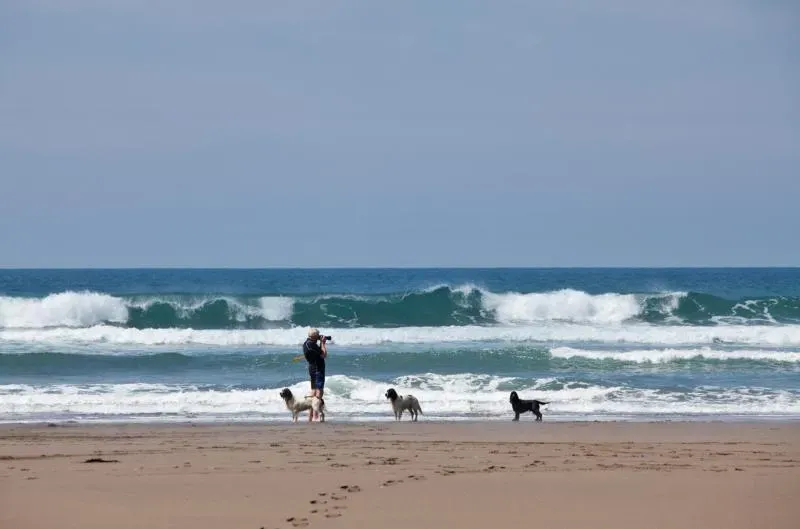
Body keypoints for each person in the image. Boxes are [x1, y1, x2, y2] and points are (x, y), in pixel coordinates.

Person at [302, 328, 328, 421]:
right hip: (318, 369)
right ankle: (316, 416)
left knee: (313, 391)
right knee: (319, 391)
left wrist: (320, 343)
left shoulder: (306, 343)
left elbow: (318, 353)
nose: (319, 336)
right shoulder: (312, 345)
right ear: (314, 336)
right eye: (318, 335)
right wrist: (323, 343)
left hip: (312, 368)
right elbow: (324, 354)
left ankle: (311, 416)